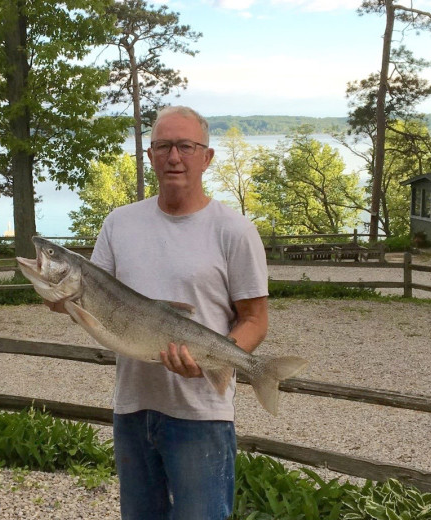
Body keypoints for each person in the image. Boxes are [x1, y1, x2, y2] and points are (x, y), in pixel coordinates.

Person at [52, 105, 269, 519]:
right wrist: (57, 296)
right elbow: (90, 297)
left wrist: (217, 361)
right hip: (132, 409)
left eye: (186, 146)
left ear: (206, 157)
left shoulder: (235, 230)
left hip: (201, 414)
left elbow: (255, 319)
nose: (174, 157)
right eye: (163, 146)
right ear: (149, 156)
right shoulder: (119, 223)